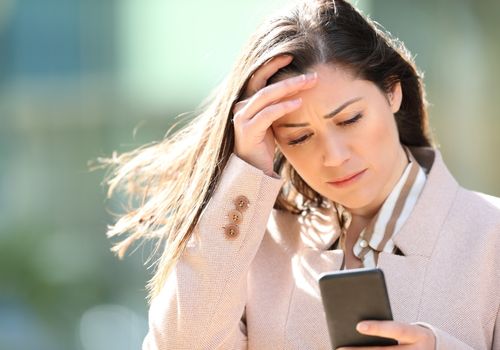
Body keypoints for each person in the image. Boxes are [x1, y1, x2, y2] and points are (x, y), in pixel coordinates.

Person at [102, 0, 500, 349]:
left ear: (392, 91)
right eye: (299, 136)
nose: (333, 156)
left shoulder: (490, 239)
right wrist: (245, 173)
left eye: (349, 119)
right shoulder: (252, 248)